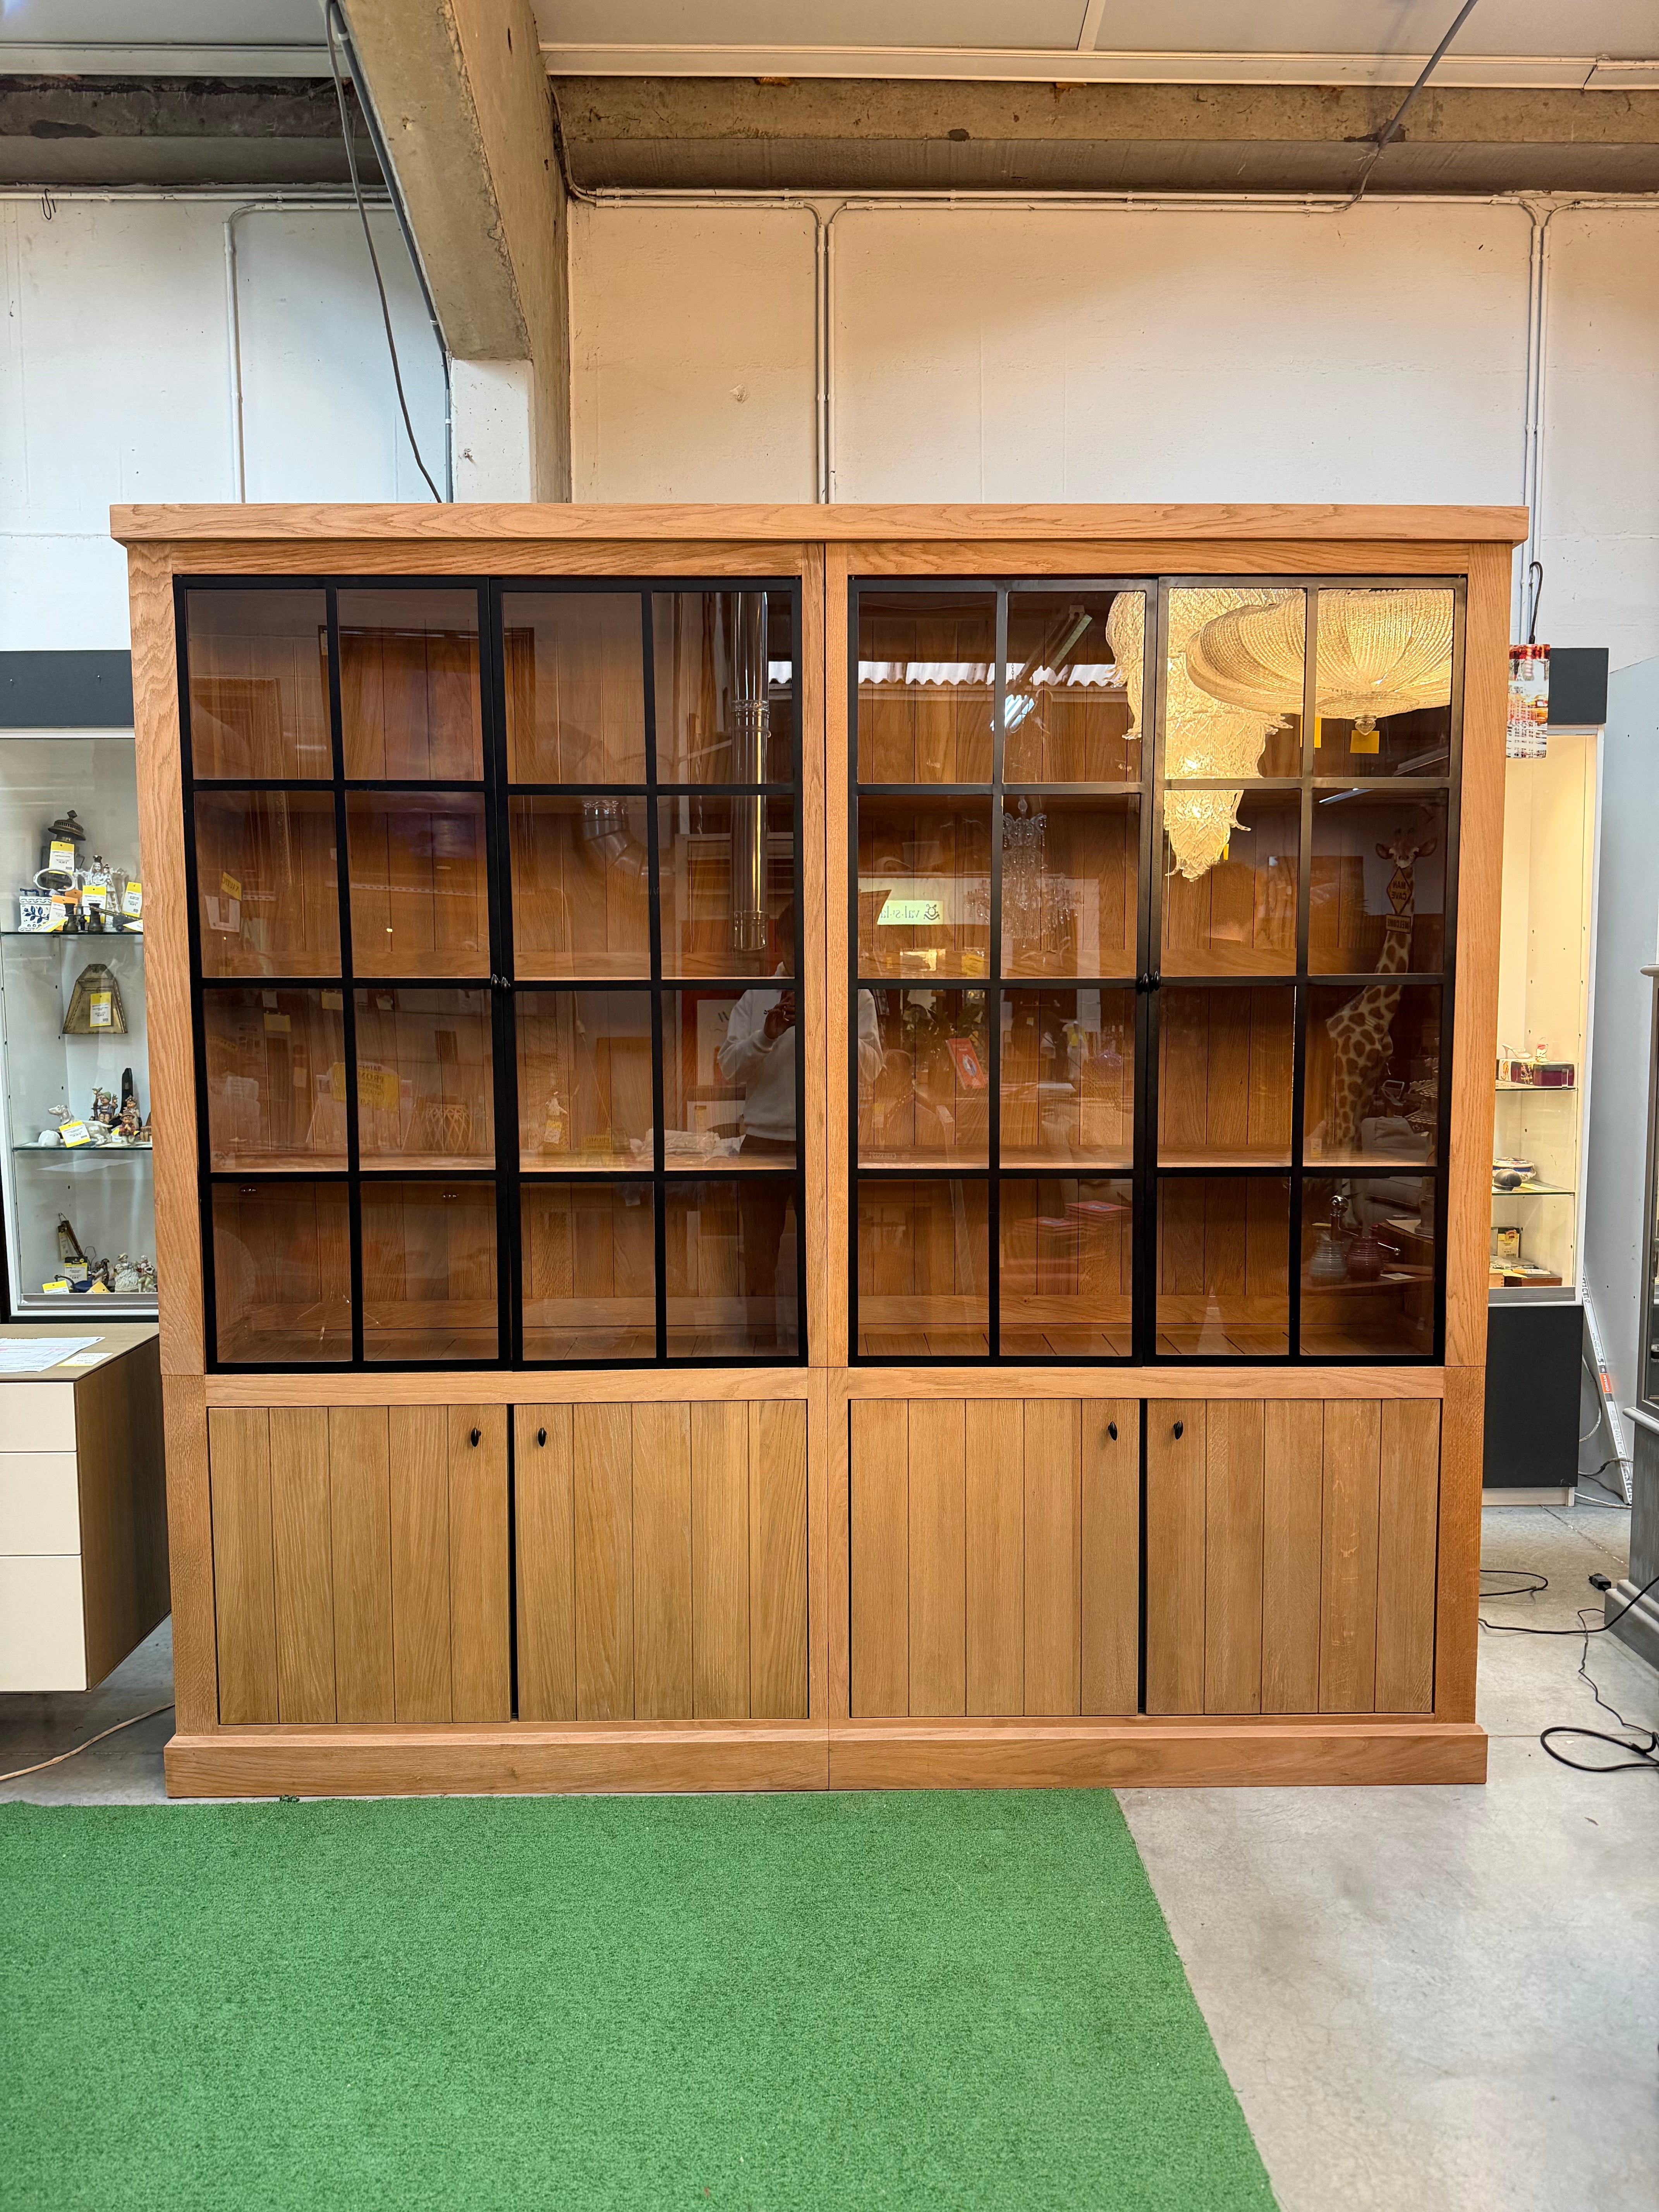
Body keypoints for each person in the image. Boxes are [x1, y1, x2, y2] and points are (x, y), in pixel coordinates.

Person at [717, 902, 881, 1348]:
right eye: (796, 943)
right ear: (782, 944)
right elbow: (728, 1068)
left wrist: (834, 1021)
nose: (805, 953)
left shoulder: (855, 996)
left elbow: (872, 1068)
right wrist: (766, 1035)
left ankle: (823, 1348)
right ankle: (762, 1348)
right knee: (758, 1257)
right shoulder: (756, 997)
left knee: (825, 1255)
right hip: (764, 1143)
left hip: (828, 1142)